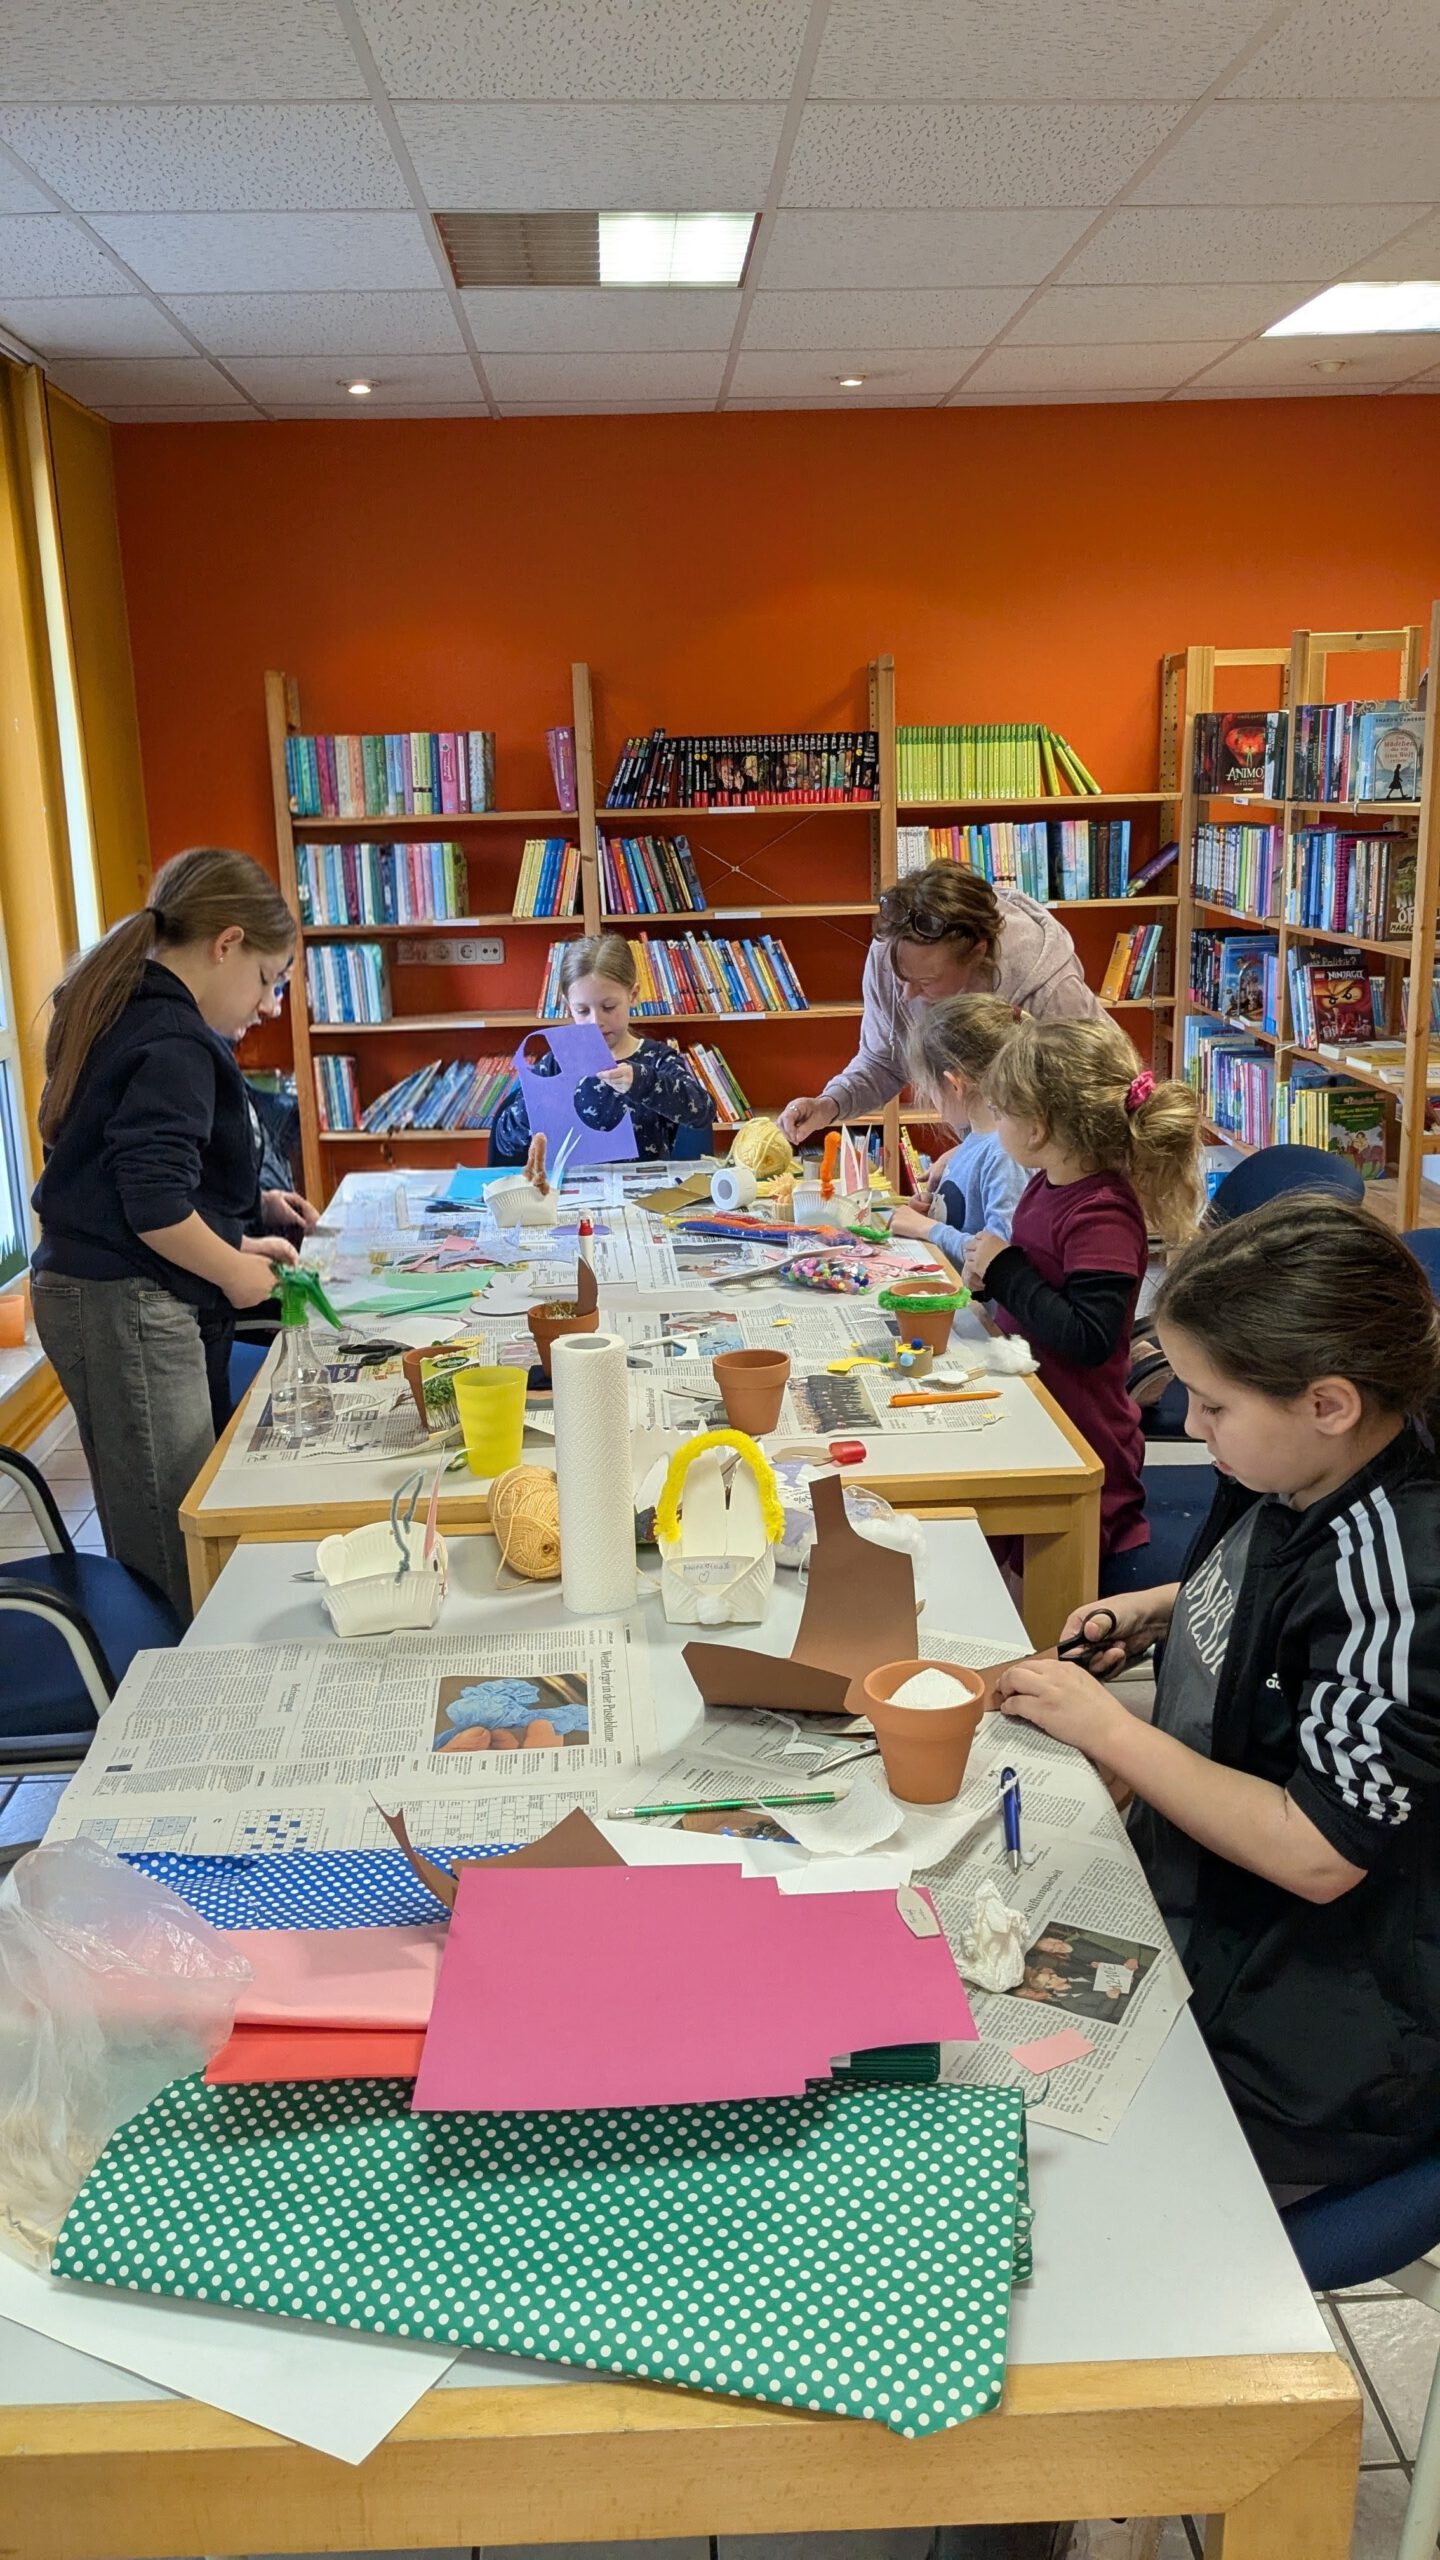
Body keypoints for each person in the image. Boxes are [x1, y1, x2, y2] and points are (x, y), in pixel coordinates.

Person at [995, 1198, 1440, 2191]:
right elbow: (1273, 1593)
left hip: (1316, 2030)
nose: (1190, 1430)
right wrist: (1162, 1611)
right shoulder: (1296, 1462)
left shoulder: (1401, 1578)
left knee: (1037, 2151)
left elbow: (1317, 1851)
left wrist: (1107, 1729)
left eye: (1213, 1406)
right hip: (1214, 1904)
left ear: (1328, 1402)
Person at [30, 848, 299, 1620]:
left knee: (173, 1508)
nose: (269, 1005)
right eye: (267, 979)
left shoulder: (129, 1008)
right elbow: (150, 1205)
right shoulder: (174, 1038)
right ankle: (177, 1668)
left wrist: (234, 1239)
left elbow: (124, 1189)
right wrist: (235, 1273)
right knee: (171, 1534)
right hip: (124, 1305)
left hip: (110, 1289)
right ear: (226, 944)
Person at [961, 1015, 1202, 1576]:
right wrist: (993, 1277)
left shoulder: (1102, 1212)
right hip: (1042, 1411)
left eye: (1001, 1113)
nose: (995, 1125)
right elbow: (1044, 1283)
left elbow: (1089, 1337)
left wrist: (1005, 1270)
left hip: (1082, 1433)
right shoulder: (1049, 1183)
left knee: (1052, 1571)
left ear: (1038, 1128)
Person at [778, 861, 1099, 1151]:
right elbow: (884, 1059)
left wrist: (980, 1154)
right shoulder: (890, 950)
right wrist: (829, 1105)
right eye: (901, 976)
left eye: (926, 981)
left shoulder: (1051, 991)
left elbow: (1092, 1104)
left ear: (977, 955)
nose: (907, 994)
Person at [488, 933, 714, 1167]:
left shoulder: (657, 1059)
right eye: (583, 1011)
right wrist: (540, 1104)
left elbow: (703, 1112)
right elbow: (505, 1141)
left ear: (633, 995)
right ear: (568, 1006)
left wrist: (643, 1082)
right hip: (571, 1188)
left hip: (644, 1187)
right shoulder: (557, 1063)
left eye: (608, 1007)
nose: (596, 1021)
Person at [889, 993, 1028, 1269]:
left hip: (977, 1297)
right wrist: (934, 1210)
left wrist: (927, 1228)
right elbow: (970, 1219)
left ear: (954, 1085)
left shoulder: (1005, 1155)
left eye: (927, 1087)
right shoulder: (976, 1141)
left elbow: (999, 1257)